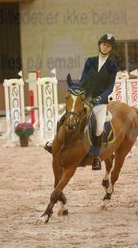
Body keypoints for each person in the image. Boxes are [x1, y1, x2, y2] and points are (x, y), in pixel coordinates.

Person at [45, 34, 118, 170]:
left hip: (100, 101)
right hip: (86, 98)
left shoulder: (112, 65)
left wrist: (100, 98)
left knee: (98, 126)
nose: (105, 47)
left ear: (110, 49)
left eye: (108, 46)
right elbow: (83, 80)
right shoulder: (90, 61)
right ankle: (54, 143)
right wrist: (75, 87)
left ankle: (96, 156)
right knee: (67, 116)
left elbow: (110, 87)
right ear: (99, 45)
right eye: (103, 44)